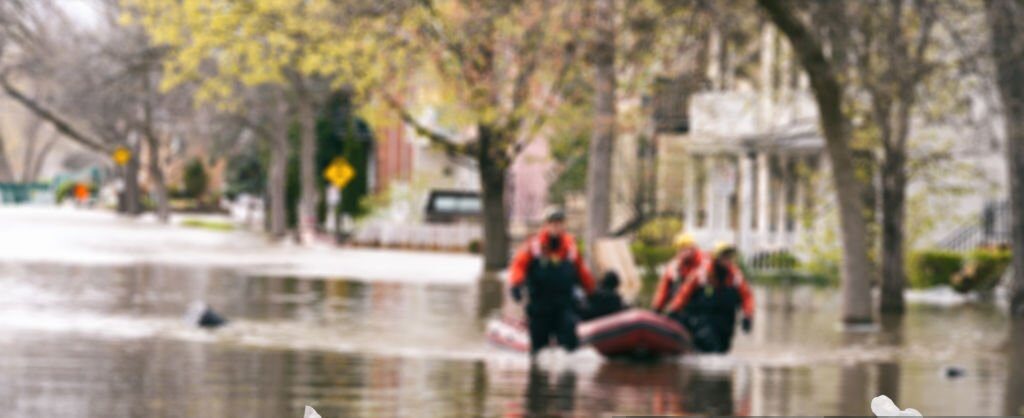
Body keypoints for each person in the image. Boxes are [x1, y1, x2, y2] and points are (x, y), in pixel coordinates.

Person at [509, 207, 595, 355]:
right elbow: (518, 265)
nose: (556, 226)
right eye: (553, 223)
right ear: (546, 225)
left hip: (564, 304)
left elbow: (581, 271)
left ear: (564, 225)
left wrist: (592, 292)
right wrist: (516, 284)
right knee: (538, 349)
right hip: (540, 305)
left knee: (569, 341)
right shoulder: (533, 246)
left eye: (559, 222)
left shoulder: (570, 247)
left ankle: (568, 374)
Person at [664, 242, 754, 353]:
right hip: (703, 320)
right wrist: (673, 310)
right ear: (716, 258)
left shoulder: (735, 276)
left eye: (729, 256)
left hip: (726, 323)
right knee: (710, 347)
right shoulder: (701, 274)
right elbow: (684, 293)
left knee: (722, 351)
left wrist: (748, 316)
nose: (727, 260)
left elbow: (747, 297)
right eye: (724, 256)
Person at [651, 232, 705, 313]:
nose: (684, 252)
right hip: (681, 307)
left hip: (698, 307)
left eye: (687, 248)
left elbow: (689, 285)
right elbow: (663, 287)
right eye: (681, 248)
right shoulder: (675, 264)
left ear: (693, 248)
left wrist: (674, 308)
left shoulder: (703, 262)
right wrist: (656, 308)